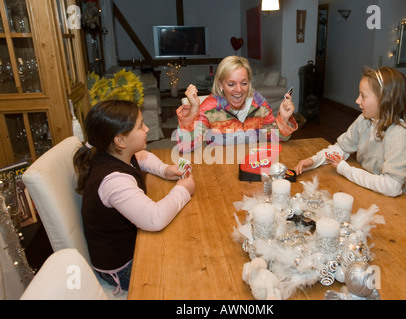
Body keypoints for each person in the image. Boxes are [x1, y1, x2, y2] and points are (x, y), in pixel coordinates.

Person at [73, 100, 195, 294]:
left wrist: (166, 170)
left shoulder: (113, 154)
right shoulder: (114, 181)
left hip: (132, 244)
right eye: (140, 126)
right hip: (122, 267)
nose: (147, 129)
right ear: (120, 141)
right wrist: (183, 189)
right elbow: (154, 219)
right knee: (186, 270)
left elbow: (144, 158)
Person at [294, 67, 406, 197]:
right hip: (367, 192)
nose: (357, 101)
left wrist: (345, 169)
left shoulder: (400, 133)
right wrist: (314, 161)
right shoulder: (365, 120)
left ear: (384, 100)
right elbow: (341, 149)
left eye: (363, 96)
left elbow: (392, 186)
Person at [176, 56, 298, 152]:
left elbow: (273, 139)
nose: (239, 90)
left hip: (252, 167)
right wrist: (193, 111)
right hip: (219, 170)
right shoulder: (209, 108)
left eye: (244, 83)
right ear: (220, 85)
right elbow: (185, 147)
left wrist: (284, 119)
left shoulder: (260, 105)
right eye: (231, 84)